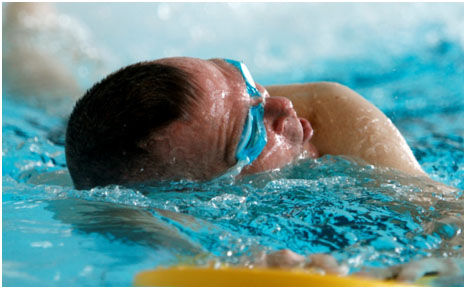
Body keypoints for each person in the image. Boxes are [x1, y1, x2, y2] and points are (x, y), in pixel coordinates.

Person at [65, 57, 429, 190]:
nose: (284, 106)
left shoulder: (332, 110)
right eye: (254, 129)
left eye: (249, 82)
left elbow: (441, 210)